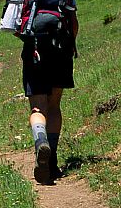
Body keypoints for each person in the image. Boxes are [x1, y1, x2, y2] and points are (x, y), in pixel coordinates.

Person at [22, 9, 79, 184]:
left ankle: (41, 142)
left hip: (35, 48)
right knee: (54, 105)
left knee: (38, 107)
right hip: (61, 46)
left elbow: (14, 24)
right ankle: (52, 161)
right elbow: (74, 22)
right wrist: (70, 43)